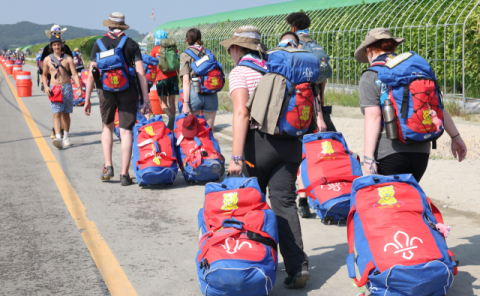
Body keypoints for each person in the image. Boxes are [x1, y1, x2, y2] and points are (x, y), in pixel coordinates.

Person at [223, 28, 310, 289]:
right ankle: (297, 267)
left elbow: (241, 114)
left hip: (257, 146)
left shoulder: (240, 72)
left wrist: (236, 157)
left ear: (237, 49)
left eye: (230, 48)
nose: (229, 53)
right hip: (289, 143)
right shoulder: (276, 67)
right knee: (284, 204)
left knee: (253, 207)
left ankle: (257, 265)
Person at [355, 28, 467, 180]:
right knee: (409, 199)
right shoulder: (416, 70)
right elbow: (437, 107)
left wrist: (368, 158)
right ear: (394, 48)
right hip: (421, 152)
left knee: (388, 201)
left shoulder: (371, 75)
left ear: (369, 51)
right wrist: (456, 137)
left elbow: (373, 116)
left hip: (389, 153)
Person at [84, 12, 151, 186]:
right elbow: (141, 74)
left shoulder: (99, 43)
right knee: (126, 131)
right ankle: (124, 174)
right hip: (127, 90)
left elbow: (91, 74)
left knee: (107, 127)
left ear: (109, 26)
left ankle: (108, 166)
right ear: (123, 26)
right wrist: (146, 100)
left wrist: (86, 99)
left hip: (105, 91)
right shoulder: (132, 44)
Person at [42, 34, 82, 149]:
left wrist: (79, 87)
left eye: (58, 44)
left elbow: (74, 74)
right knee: (56, 113)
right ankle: (58, 137)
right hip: (54, 89)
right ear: (51, 46)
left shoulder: (68, 58)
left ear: (61, 45)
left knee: (66, 113)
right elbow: (44, 75)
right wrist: (45, 86)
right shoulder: (47, 60)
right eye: (54, 45)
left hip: (67, 88)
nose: (56, 47)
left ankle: (66, 136)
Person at [179, 28, 218, 128]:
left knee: (194, 133)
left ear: (187, 40)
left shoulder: (185, 55)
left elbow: (186, 81)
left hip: (194, 92)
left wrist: (186, 103)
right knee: (209, 133)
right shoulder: (210, 53)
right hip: (211, 92)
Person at [150, 30, 178, 129]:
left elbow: (151, 67)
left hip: (161, 78)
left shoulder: (154, 50)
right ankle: (173, 125)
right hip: (173, 77)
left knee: (163, 103)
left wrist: (151, 80)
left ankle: (171, 116)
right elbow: (177, 63)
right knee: (172, 102)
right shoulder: (173, 48)